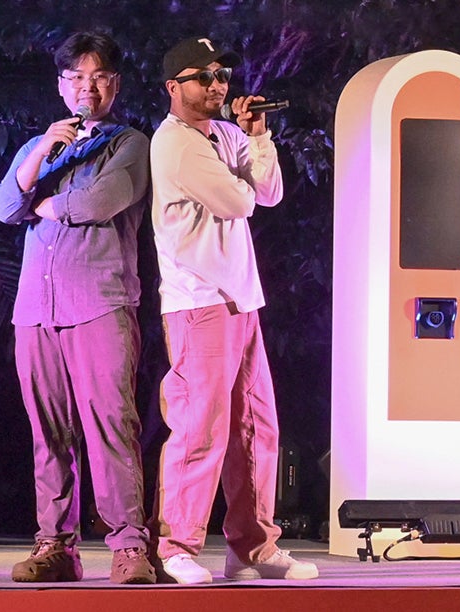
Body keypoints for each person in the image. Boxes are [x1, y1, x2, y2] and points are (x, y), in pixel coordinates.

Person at [0, 31, 156, 585]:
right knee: (48, 432)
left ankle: (129, 546)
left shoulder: (129, 142)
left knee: (111, 426)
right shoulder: (41, 146)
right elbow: (4, 204)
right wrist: (42, 151)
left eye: (99, 77)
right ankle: (55, 546)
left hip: (100, 303)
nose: (88, 87)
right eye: (77, 77)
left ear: (115, 85)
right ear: (62, 86)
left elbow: (101, 201)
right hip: (35, 309)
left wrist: (42, 203)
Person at [149, 36, 318, 584]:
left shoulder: (225, 132)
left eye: (221, 76)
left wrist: (257, 135)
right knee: (200, 428)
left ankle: (253, 548)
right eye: (203, 77)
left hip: (241, 299)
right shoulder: (175, 144)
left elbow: (268, 192)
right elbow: (240, 201)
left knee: (256, 427)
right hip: (198, 301)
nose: (217, 86)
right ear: (174, 87)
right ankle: (176, 547)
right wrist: (244, 173)